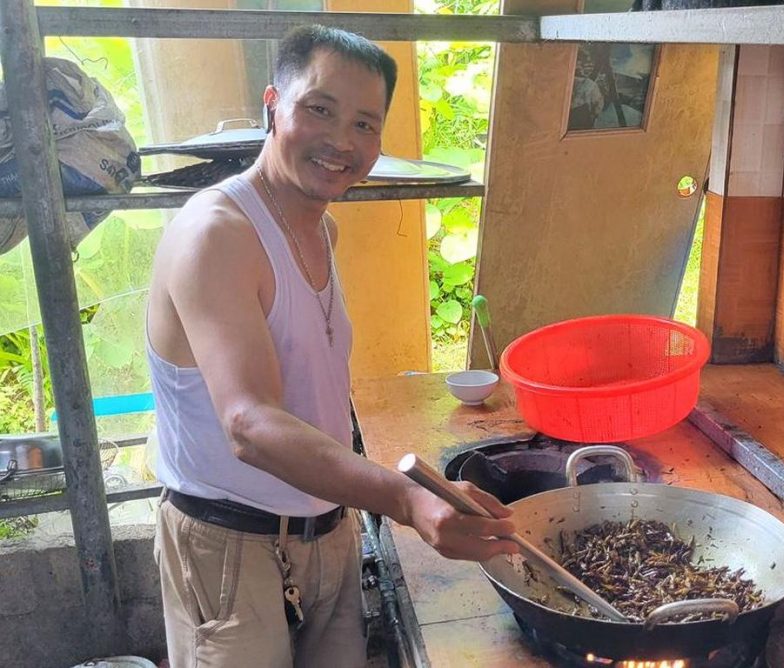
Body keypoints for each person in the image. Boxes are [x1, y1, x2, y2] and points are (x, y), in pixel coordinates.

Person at [146, 25, 518, 668]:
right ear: (272, 105)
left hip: (327, 528)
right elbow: (250, 424)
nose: (343, 142)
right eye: (319, 109)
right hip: (230, 545)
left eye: (365, 125)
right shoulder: (218, 233)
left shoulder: (324, 231)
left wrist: (410, 498)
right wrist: (406, 499)